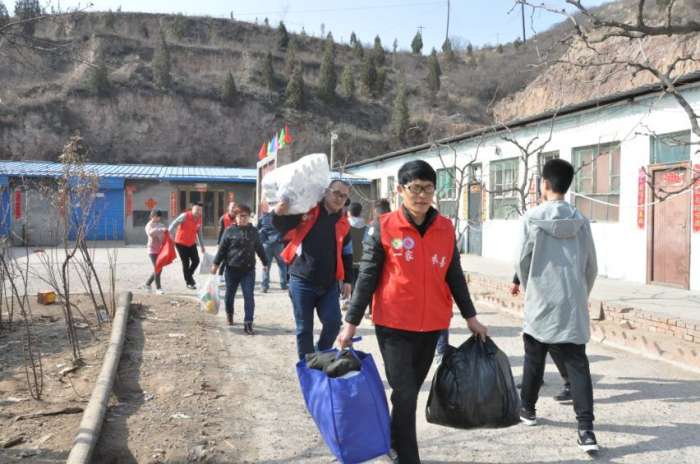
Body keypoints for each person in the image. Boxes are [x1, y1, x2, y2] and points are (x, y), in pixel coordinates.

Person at [337, 160, 488, 464]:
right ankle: (407, 457)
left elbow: (453, 274)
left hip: (432, 323)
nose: (421, 195)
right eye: (415, 188)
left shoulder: (445, 228)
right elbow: (367, 276)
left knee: (409, 393)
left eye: (428, 188)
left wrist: (471, 317)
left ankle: (392, 440)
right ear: (400, 190)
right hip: (393, 322)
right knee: (404, 392)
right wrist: (350, 323)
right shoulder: (385, 225)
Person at [514, 158, 598, 453]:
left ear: (545, 185)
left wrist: (531, 289)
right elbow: (591, 266)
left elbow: (522, 262)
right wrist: (578, 292)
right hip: (572, 302)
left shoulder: (531, 218)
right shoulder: (581, 220)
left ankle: (528, 409)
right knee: (577, 364)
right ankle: (586, 430)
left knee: (534, 356)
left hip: (540, 300)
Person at [272, 179, 353, 361]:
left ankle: (319, 355)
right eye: (336, 193)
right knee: (304, 329)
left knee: (333, 324)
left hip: (329, 282)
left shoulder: (343, 223)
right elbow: (282, 225)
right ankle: (307, 369)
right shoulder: (307, 211)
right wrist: (278, 212)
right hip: (302, 279)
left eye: (344, 196)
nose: (339, 198)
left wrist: (348, 279)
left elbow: (347, 252)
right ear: (326, 191)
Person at [511, 274, 571, 402]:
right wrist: (517, 281)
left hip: (551, 291)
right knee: (536, 340)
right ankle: (535, 379)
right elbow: (524, 259)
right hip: (540, 291)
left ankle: (571, 383)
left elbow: (522, 259)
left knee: (553, 343)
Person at [211, 205, 268, 333]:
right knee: (229, 295)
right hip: (232, 269)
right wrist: (215, 264)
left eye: (245, 216)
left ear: (249, 217)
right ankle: (229, 314)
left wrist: (265, 262)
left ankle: (248, 323)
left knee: (249, 296)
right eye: (240, 216)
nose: (243, 218)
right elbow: (222, 250)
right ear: (235, 218)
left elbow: (259, 248)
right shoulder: (229, 231)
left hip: (248, 271)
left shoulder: (253, 231)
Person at [169, 202, 206, 290]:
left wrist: (202, 246)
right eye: (197, 210)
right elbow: (173, 224)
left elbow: (199, 232)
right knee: (186, 263)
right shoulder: (185, 216)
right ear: (192, 209)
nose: (198, 212)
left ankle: (189, 276)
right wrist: (169, 235)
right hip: (180, 243)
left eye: (200, 210)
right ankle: (189, 282)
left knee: (196, 261)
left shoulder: (200, 218)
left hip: (192, 243)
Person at [257, 204, 288, 293]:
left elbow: (257, 229)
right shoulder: (281, 217)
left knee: (266, 265)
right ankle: (283, 284)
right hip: (278, 244)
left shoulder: (263, 217)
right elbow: (286, 229)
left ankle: (264, 286)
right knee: (282, 265)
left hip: (266, 244)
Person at [143, 210, 167, 294]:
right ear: (152, 216)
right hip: (152, 250)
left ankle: (147, 284)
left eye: (159, 217)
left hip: (160, 250)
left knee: (159, 269)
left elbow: (164, 235)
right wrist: (160, 229)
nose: (158, 218)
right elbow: (151, 233)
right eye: (156, 216)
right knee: (158, 268)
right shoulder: (148, 225)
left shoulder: (161, 225)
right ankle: (158, 288)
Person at [347, 202, 367, 289]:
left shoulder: (344, 227)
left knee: (349, 286)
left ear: (349, 213)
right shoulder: (367, 228)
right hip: (364, 261)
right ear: (361, 212)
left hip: (348, 261)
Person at [217, 201, 238, 278]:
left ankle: (232, 276)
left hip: (235, 243)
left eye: (234, 207)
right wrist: (219, 244)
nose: (233, 208)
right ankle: (220, 276)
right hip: (225, 243)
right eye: (232, 207)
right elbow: (220, 232)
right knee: (224, 260)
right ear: (228, 208)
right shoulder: (223, 218)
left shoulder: (238, 218)